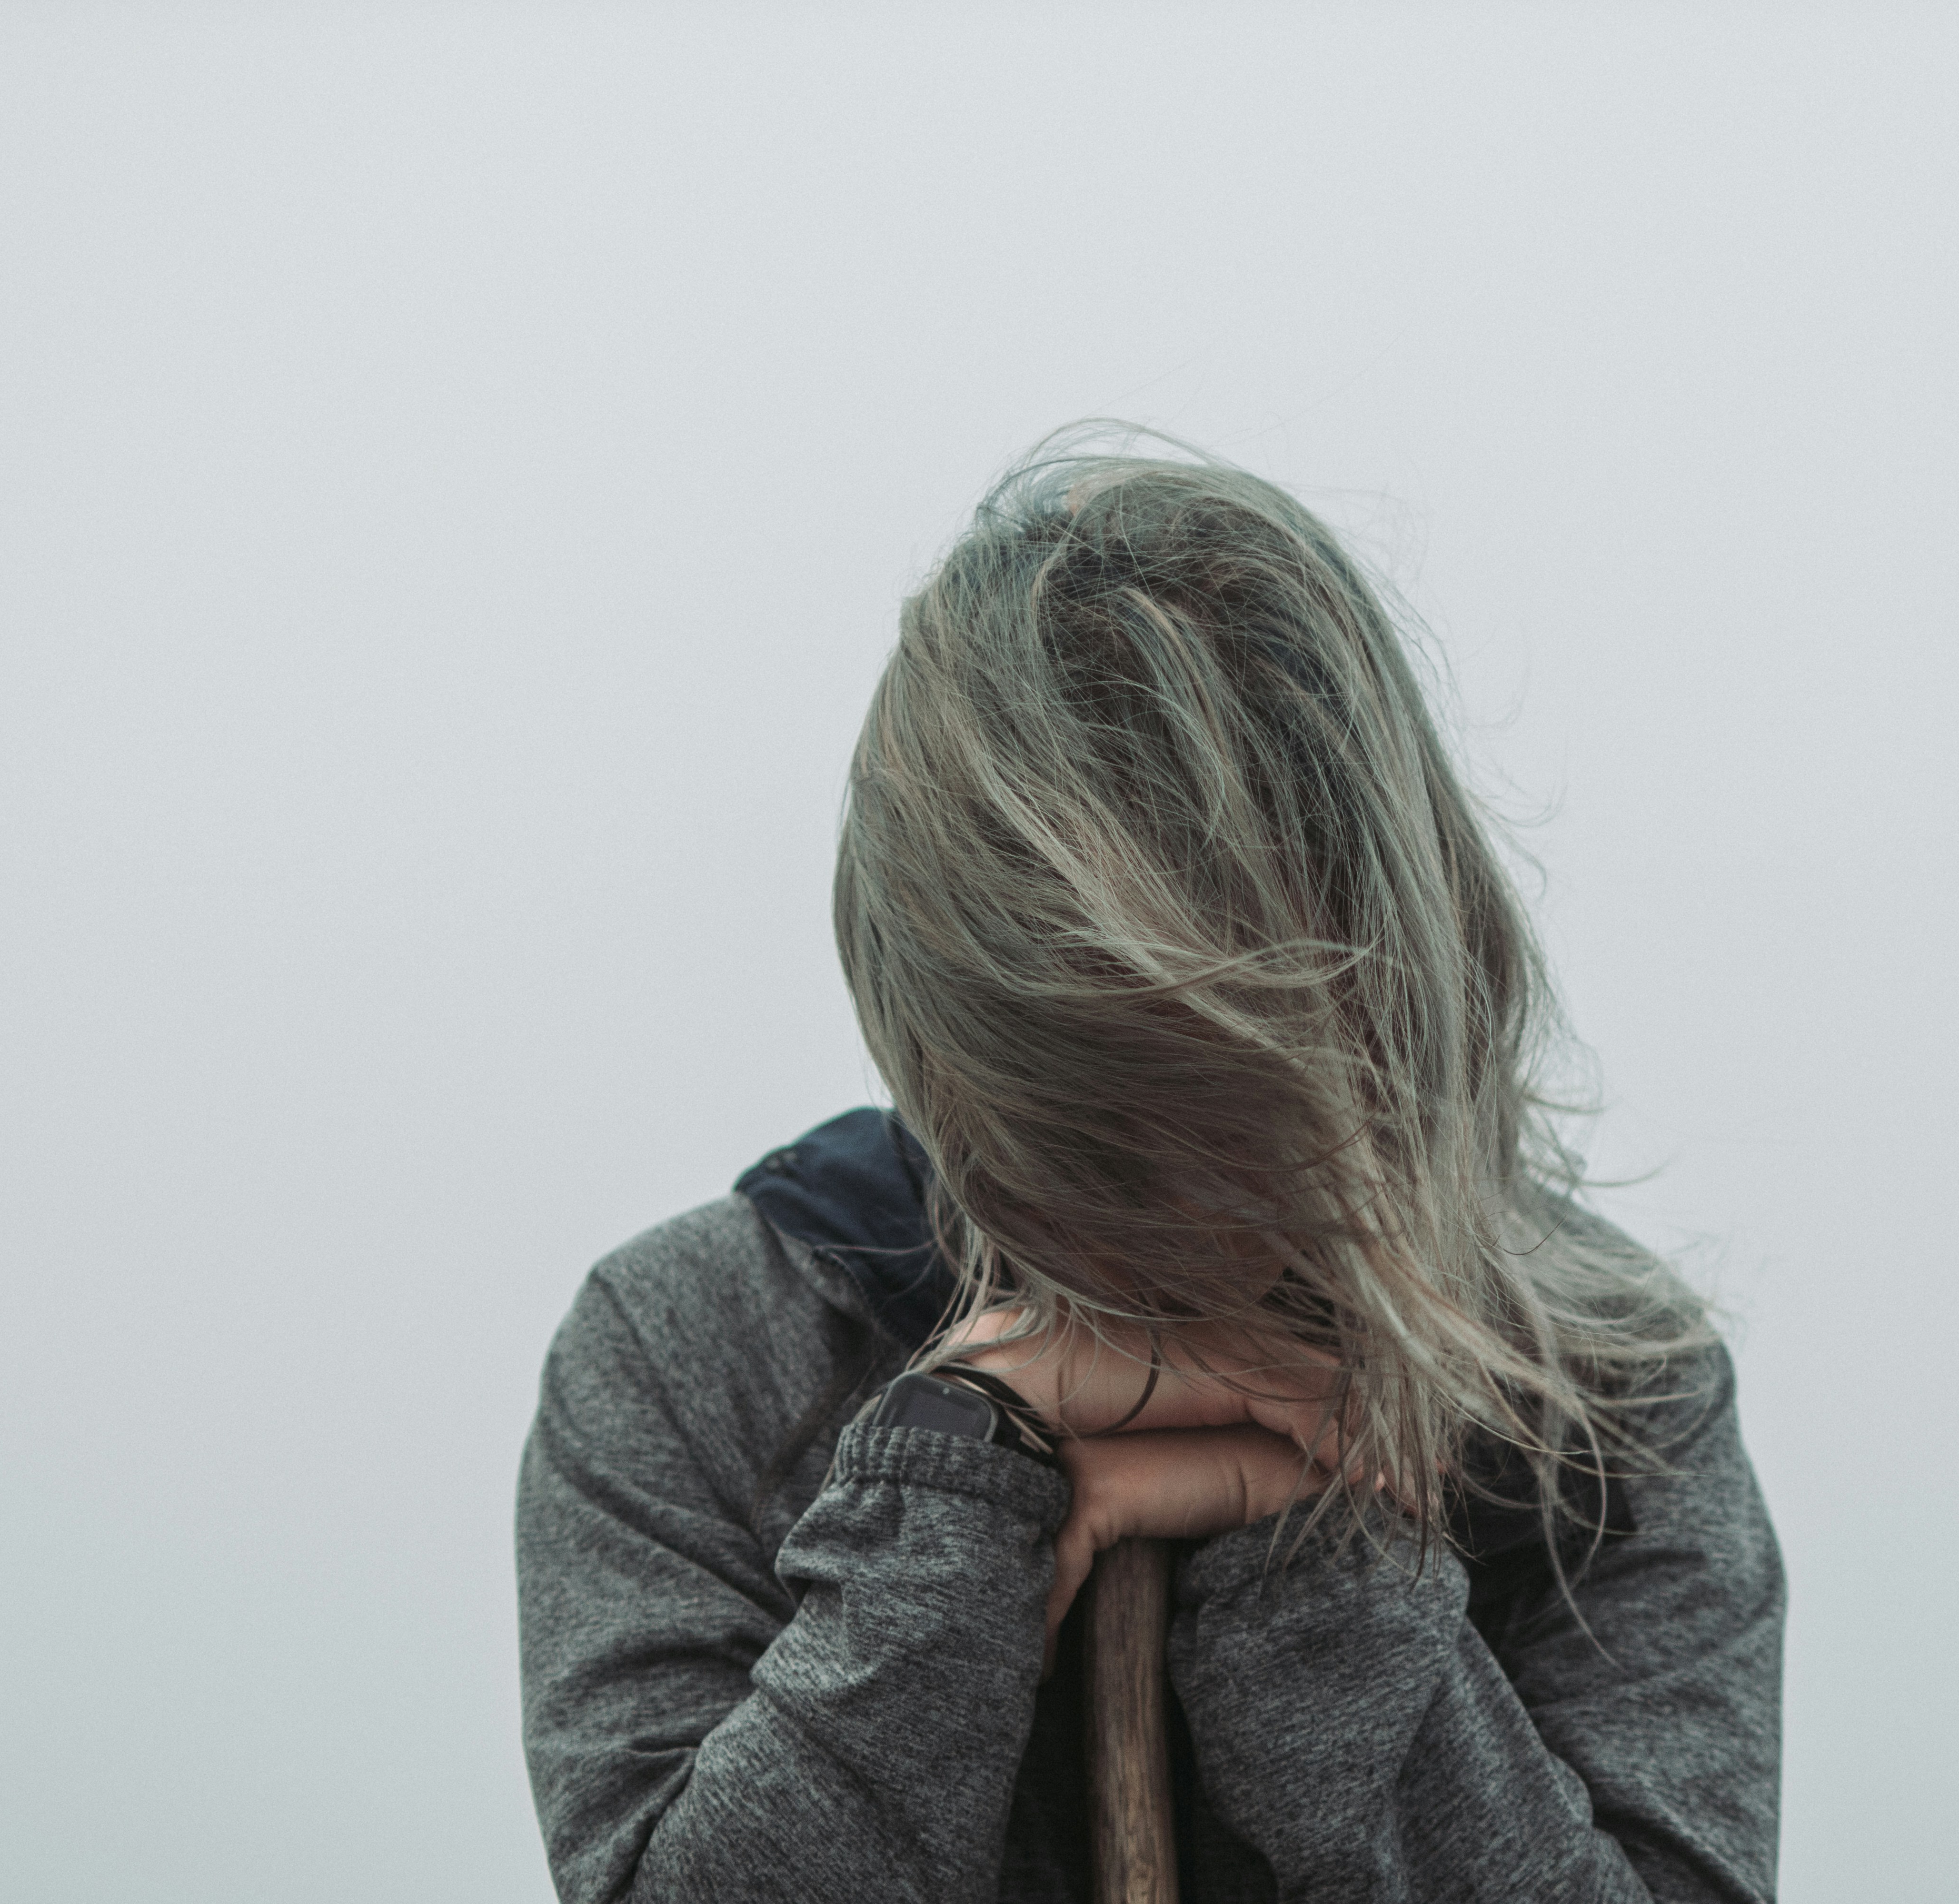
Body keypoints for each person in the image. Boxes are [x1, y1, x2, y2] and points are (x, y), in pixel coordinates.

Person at [514, 433, 1786, 1903]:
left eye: (1238, 1089)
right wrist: (961, 1472)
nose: (1173, 1196)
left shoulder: (1609, 1396)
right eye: (1099, 1102)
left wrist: (1320, 1556)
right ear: (952, 1028)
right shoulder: (699, 1347)